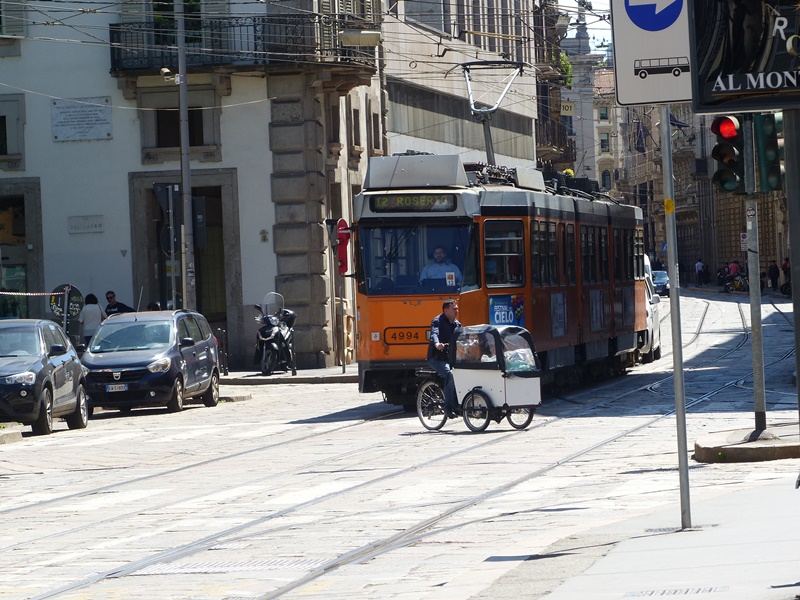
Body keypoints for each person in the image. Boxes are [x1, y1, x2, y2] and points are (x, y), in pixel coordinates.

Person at [427, 299, 461, 419]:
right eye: (454, 309)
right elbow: (434, 334)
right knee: (450, 374)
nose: (457, 311)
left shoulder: (457, 324)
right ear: (446, 311)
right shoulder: (437, 321)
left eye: (457, 308)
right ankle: (448, 407)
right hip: (436, 358)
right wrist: (437, 344)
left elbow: (462, 338)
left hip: (451, 357)